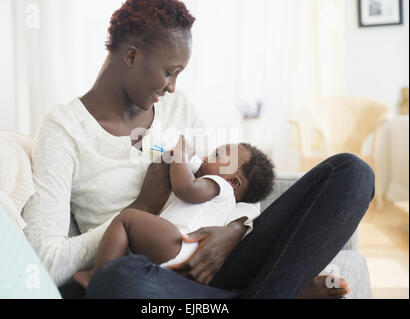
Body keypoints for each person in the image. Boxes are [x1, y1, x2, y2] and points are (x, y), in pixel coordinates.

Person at [23, 0, 374, 299]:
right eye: (169, 72)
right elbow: (46, 261)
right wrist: (142, 206)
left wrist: (233, 233)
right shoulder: (63, 131)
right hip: (151, 276)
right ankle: (271, 292)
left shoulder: (179, 110)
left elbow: (233, 189)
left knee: (352, 173)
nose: (174, 87)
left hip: (220, 259)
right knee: (116, 281)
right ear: (131, 55)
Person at [72, 136, 275, 289]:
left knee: (127, 220)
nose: (205, 157)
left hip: (180, 246)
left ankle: (96, 275)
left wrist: (182, 155)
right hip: (180, 261)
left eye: (216, 156)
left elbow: (185, 188)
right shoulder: (216, 195)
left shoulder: (220, 186)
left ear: (233, 181)